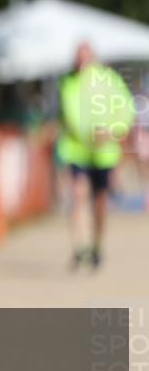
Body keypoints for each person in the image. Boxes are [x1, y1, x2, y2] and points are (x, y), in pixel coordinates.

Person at [56, 42, 134, 269]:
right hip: (76, 150)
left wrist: (110, 130)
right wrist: (88, 133)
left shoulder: (109, 80)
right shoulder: (68, 83)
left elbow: (126, 109)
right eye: (79, 57)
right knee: (78, 194)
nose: (82, 62)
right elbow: (70, 115)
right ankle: (79, 247)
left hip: (104, 153)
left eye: (86, 57)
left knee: (100, 200)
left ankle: (97, 246)